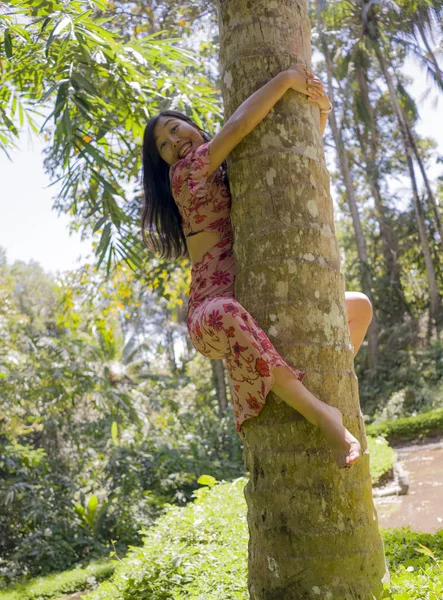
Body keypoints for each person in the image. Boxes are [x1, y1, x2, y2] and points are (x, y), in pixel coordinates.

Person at [142, 63, 373, 469]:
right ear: (164, 163)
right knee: (226, 311)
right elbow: (239, 124)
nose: (173, 142)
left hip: (252, 302)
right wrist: (285, 79)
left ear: (192, 126)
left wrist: (319, 109)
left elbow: (286, 162)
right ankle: (323, 415)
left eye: (175, 128)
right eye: (162, 144)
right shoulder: (186, 174)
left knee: (359, 307)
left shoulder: (228, 168)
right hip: (209, 316)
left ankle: (318, 390)